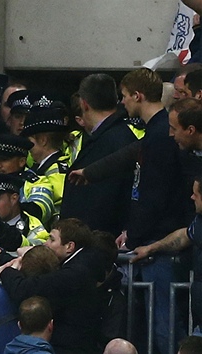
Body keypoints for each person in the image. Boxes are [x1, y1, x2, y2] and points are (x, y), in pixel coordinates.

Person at [118, 68, 189, 354]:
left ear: (138, 95)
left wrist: (135, 236)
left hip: (159, 245)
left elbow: (154, 195)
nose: (122, 102)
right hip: (156, 239)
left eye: (124, 96)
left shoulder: (161, 134)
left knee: (165, 329)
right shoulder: (157, 131)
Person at [0, 218, 105, 354]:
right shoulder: (84, 264)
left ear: (69, 246)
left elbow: (24, 289)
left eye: (52, 239)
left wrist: (2, 262)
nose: (46, 243)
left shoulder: (73, 274)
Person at [59, 74, 138, 236]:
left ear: (84, 104)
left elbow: (100, 202)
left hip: (95, 241)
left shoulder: (111, 140)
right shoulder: (119, 136)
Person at [131, 174, 202, 333]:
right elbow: (184, 236)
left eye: (196, 194)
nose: (191, 197)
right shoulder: (199, 222)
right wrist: (151, 248)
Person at [20, 104, 69, 225]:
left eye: (30, 142)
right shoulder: (44, 167)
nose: (28, 148)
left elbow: (60, 211)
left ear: (43, 140)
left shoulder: (57, 172)